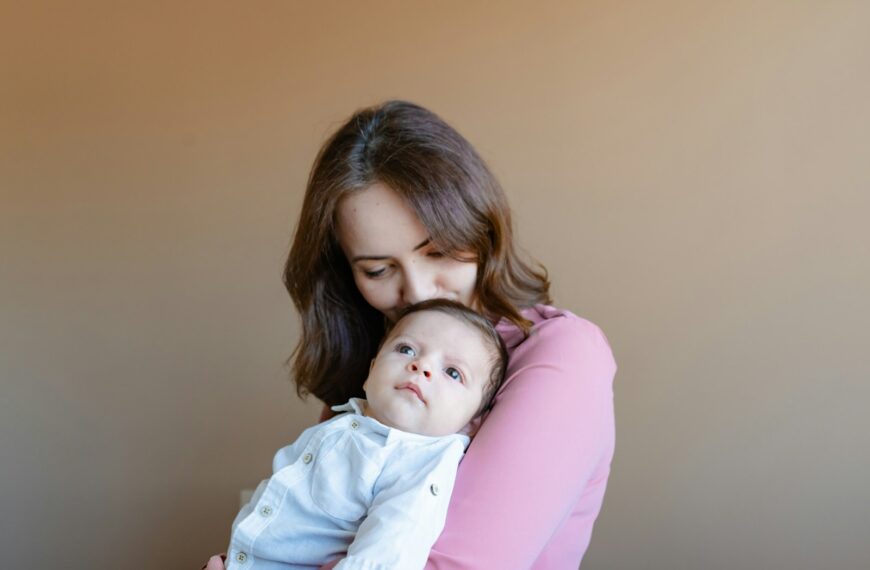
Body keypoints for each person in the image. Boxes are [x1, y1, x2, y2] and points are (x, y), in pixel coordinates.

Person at [205, 100, 616, 570]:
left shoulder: (563, 354)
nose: (418, 292)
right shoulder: (383, 376)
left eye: (439, 252)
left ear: (480, 227)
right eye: (378, 269)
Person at [224, 300, 508, 570]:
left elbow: (391, 543)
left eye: (453, 372)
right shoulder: (347, 422)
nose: (421, 366)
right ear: (371, 372)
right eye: (407, 349)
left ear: (472, 422)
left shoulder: (421, 461)